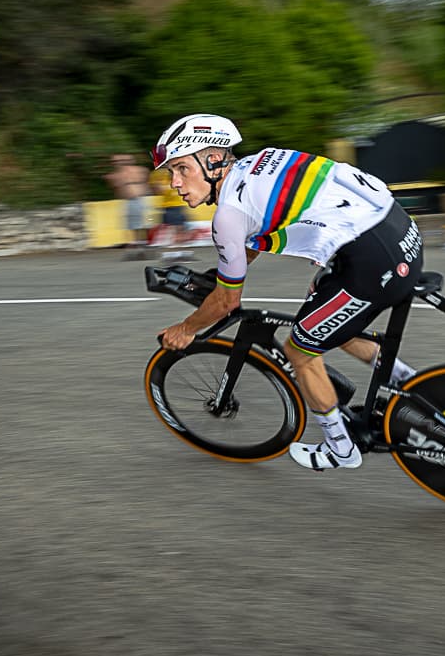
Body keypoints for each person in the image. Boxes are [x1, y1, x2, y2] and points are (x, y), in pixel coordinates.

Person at [152, 113, 422, 470]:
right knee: (322, 314)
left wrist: (187, 328)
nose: (174, 183)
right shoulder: (259, 162)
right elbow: (256, 234)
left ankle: (340, 448)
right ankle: (409, 382)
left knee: (299, 349)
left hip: (374, 261)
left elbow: (228, 301)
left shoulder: (228, 215)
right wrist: (223, 274)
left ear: (213, 160)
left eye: (182, 169)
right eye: (171, 172)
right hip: (400, 234)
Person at [105, 153, 153, 248]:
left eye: (120, 161)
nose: (117, 163)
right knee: (133, 223)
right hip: (129, 200)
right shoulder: (118, 174)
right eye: (115, 161)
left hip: (140, 199)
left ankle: (144, 241)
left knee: (143, 221)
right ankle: (138, 242)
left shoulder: (138, 170)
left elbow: (145, 178)